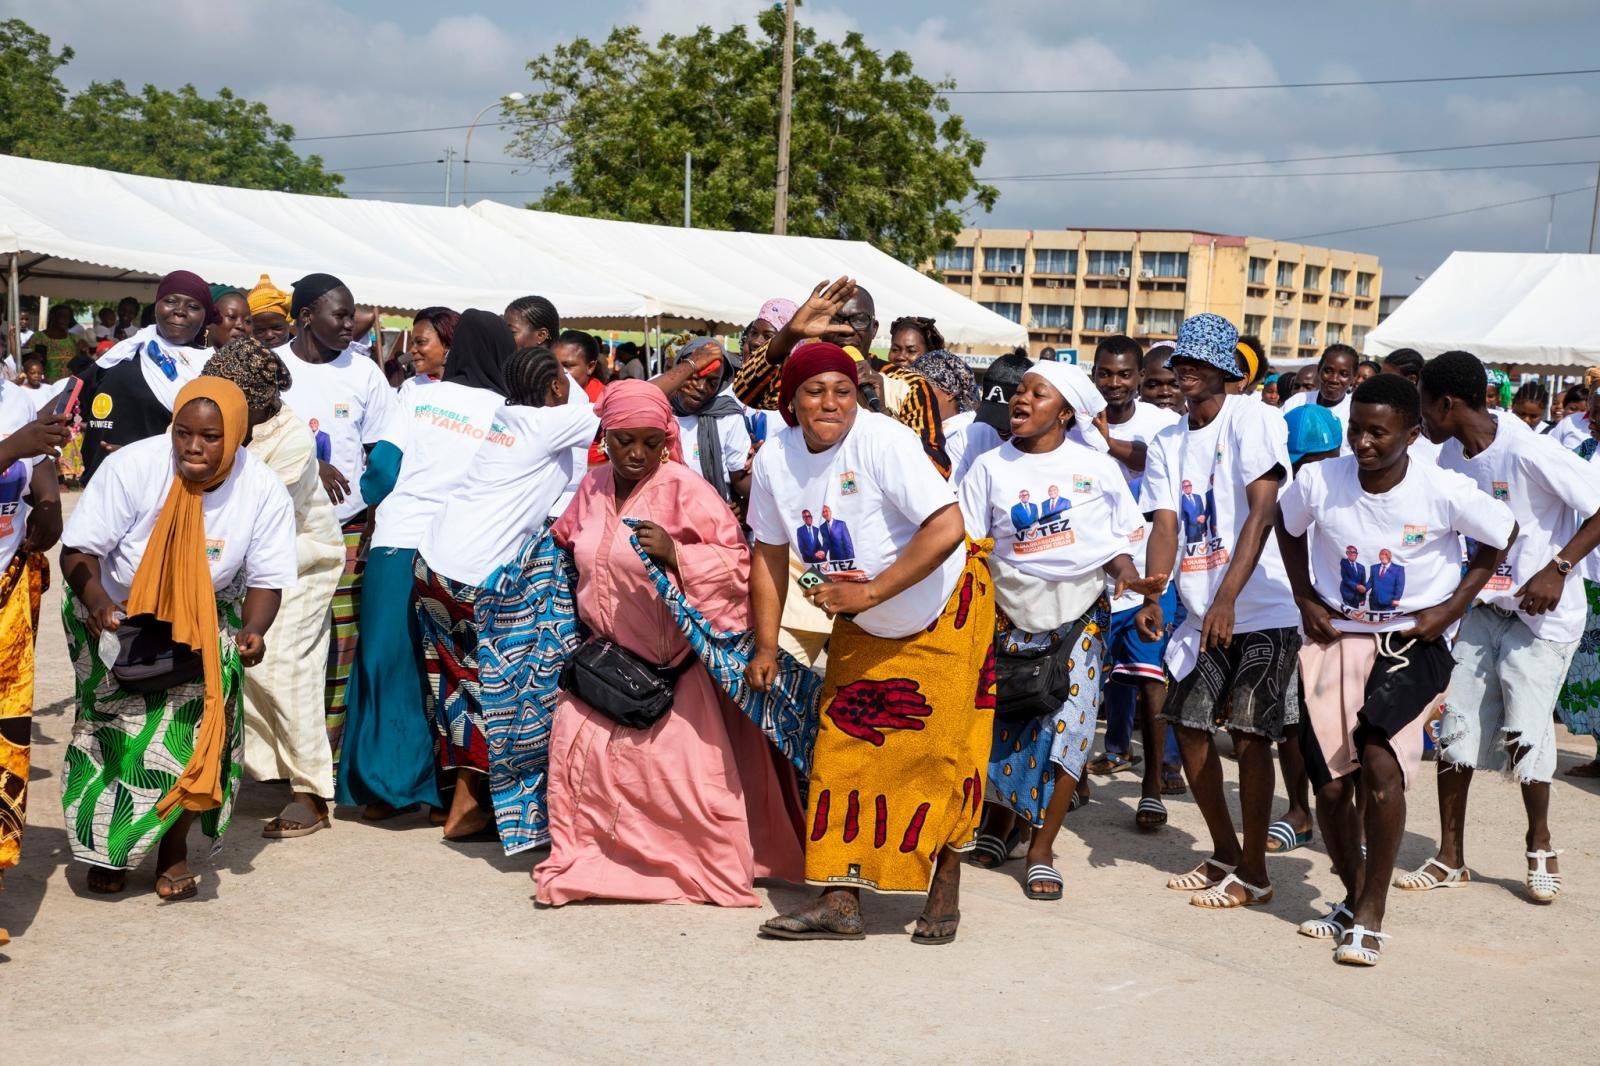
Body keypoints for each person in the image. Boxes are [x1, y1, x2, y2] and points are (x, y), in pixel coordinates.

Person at [749, 343, 992, 944]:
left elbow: (948, 524)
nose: (830, 403)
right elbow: (768, 553)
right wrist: (765, 644)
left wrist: (873, 591)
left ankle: (945, 883)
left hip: (945, 609)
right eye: (814, 391)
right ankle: (839, 900)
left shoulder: (883, 441)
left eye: (843, 390)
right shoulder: (773, 460)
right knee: (843, 748)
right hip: (865, 616)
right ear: (791, 400)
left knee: (939, 753)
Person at [533, 379, 804, 905]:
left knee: (685, 793)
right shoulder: (590, 487)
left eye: (650, 443)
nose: (636, 454)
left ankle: (681, 870)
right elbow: (566, 546)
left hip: (669, 674)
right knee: (584, 779)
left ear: (666, 440)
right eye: (623, 441)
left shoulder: (687, 490)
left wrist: (679, 556)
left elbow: (740, 567)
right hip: (601, 669)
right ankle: (596, 863)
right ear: (604, 438)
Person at [1276, 373, 1515, 965]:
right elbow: (1286, 525)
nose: (1362, 443)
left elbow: (1501, 537)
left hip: (1412, 641)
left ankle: (1372, 916)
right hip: (1335, 636)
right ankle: (1353, 897)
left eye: (1377, 433)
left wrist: (1451, 608)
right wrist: (1305, 596)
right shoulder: (1318, 479)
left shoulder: (1444, 488)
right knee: (1330, 787)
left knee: (1380, 760)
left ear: (1411, 434)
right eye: (1355, 429)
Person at [57, 378, 294, 898]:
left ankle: (171, 851)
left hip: (200, 617)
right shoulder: (133, 468)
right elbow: (77, 551)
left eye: (210, 437)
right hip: (114, 613)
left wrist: (253, 630)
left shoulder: (261, 488)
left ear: (234, 437)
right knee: (114, 740)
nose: (192, 447)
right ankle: (111, 853)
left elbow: (266, 579)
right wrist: (98, 603)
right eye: (182, 433)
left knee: (187, 742)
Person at [1397, 351, 1600, 903]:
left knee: (1526, 733)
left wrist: (1557, 569)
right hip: (1483, 609)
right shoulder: (1443, 456)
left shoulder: (1530, 448)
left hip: (1543, 615)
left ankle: (1540, 843)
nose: (1420, 418)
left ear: (1446, 402)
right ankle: (1450, 856)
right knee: (1456, 727)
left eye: (1422, 404)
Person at [1134, 313, 1301, 909]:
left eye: (1198, 365)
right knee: (1189, 723)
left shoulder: (1254, 419)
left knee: (1253, 735)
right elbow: (1166, 522)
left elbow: (1262, 512)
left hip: (1264, 604)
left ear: (1224, 371)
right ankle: (1226, 851)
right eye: (1180, 363)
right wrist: (1154, 595)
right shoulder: (1167, 441)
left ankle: (1255, 872)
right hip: (1203, 609)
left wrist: (1229, 596)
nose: (1184, 374)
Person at [960, 360, 1141, 897]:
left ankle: (1040, 846)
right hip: (1006, 612)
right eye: (1020, 391)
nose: (1021, 399)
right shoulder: (988, 468)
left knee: (1071, 726)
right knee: (1004, 720)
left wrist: (1132, 578)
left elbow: (1118, 543)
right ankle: (997, 824)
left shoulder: (1096, 467)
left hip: (1080, 611)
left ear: (1065, 412)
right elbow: (969, 545)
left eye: (1037, 393)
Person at [337, 309, 515, 827]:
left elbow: (383, 470)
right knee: (451, 672)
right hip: (461, 554)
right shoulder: (504, 409)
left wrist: (369, 502)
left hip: (398, 545)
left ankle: (387, 788)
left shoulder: (417, 394)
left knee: (386, 665)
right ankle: (450, 788)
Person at [416, 346, 599, 847]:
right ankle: (497, 807)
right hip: (475, 578)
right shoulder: (546, 423)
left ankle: (465, 805)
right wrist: (694, 365)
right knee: (521, 685)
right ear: (556, 388)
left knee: (467, 690)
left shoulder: (507, 416)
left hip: (433, 566)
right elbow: (627, 405)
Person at [202, 339, 344, 839]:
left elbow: (255, 512)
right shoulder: (213, 419)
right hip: (233, 559)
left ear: (260, 400)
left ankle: (311, 794)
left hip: (300, 558)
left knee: (285, 671)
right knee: (242, 671)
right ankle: (258, 774)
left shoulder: (291, 440)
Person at [276, 273, 402, 769]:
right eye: (341, 315)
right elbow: (250, 443)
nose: (353, 324)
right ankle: (278, 753)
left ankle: (321, 757)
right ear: (307, 317)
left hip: (345, 530)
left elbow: (384, 450)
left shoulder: (365, 372)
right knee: (282, 640)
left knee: (338, 646)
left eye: (352, 315)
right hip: (278, 532)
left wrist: (370, 508)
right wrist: (308, 464)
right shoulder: (272, 369)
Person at [1088, 334, 1184, 814]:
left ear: (1140, 379)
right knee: (1086, 676)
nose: (1114, 383)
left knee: (1152, 674)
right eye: (1105, 373)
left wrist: (1108, 442)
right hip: (1094, 557)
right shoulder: (1077, 416)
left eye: (1125, 374)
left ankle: (1154, 781)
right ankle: (1079, 775)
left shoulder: (1164, 423)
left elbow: (1148, 459)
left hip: (1149, 555)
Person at [731, 278, 950, 476]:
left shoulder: (907, 385)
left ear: (874, 329)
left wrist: (882, 416)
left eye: (859, 320)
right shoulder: (805, 375)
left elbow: (938, 468)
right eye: (835, 320)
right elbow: (746, 391)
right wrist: (790, 334)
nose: (846, 330)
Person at [0, 385, 67, 941]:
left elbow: (38, 465)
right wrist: (12, 446)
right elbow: (17, 450)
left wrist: (47, 500)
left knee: (3, 744)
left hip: (6, 596)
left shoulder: (13, 398)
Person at [78, 271, 217, 485]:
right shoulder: (124, 351)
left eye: (193, 306)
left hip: (164, 487)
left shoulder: (212, 369)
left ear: (205, 317)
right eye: (170, 301)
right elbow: (73, 400)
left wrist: (137, 458)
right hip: (101, 484)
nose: (179, 311)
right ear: (156, 306)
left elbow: (213, 440)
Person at [1557, 387, 1600, 777]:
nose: (1597, 422)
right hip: (1588, 577)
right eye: (1594, 414)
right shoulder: (1582, 454)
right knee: (1590, 671)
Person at [670, 337, 752, 507]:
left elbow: (740, 479)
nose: (701, 387)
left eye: (712, 383)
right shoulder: (657, 409)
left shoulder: (727, 417)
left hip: (713, 518)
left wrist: (746, 506)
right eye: (695, 376)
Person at [912, 348, 994, 482]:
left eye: (922, 386)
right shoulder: (923, 428)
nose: (914, 393)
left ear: (950, 392)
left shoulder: (967, 435)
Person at [1280, 344, 1358, 454]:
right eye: (1328, 371)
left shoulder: (1356, 412)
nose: (1334, 379)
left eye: (1343, 374)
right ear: (1319, 370)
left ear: (1353, 378)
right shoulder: (1296, 402)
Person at [399, 306, 457, 407]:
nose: (412, 350)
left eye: (420, 342)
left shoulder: (471, 391)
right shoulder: (410, 387)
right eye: (412, 343)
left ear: (447, 345)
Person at [31, 304, 87, 382]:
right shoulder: (38, 337)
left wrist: (84, 351)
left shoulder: (75, 338)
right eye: (62, 316)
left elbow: (83, 362)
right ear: (52, 317)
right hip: (47, 383)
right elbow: (28, 359)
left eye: (67, 317)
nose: (65, 320)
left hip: (69, 383)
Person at [247, 274, 294, 349]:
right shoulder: (244, 357)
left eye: (277, 328)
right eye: (260, 331)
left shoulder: (304, 354)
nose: (269, 336)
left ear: (288, 323)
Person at [1139, 344, 1183, 413]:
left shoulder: (1200, 421)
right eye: (1153, 385)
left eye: (1176, 385)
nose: (1165, 393)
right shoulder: (1121, 420)